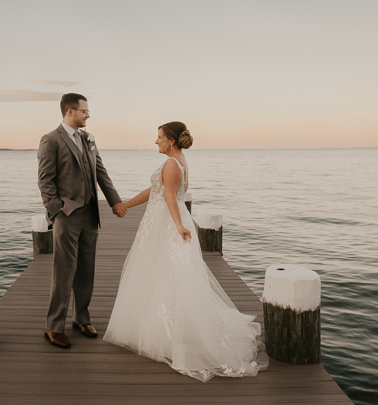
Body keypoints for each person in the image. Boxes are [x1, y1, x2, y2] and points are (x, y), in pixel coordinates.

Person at [103, 122, 268, 381]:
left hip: (167, 224)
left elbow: (169, 195)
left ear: (171, 140)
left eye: (159, 137)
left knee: (167, 275)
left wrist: (178, 225)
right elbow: (156, 191)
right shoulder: (178, 160)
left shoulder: (171, 164)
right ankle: (164, 328)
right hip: (166, 221)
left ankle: (167, 335)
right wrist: (127, 204)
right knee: (169, 276)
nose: (155, 141)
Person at [37, 93, 126, 349]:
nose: (88, 115)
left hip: (90, 213)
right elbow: (45, 180)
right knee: (64, 272)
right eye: (84, 111)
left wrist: (115, 201)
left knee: (87, 269)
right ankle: (53, 326)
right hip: (67, 215)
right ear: (69, 112)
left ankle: (81, 318)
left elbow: (100, 172)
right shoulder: (51, 140)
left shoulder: (88, 138)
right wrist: (56, 211)